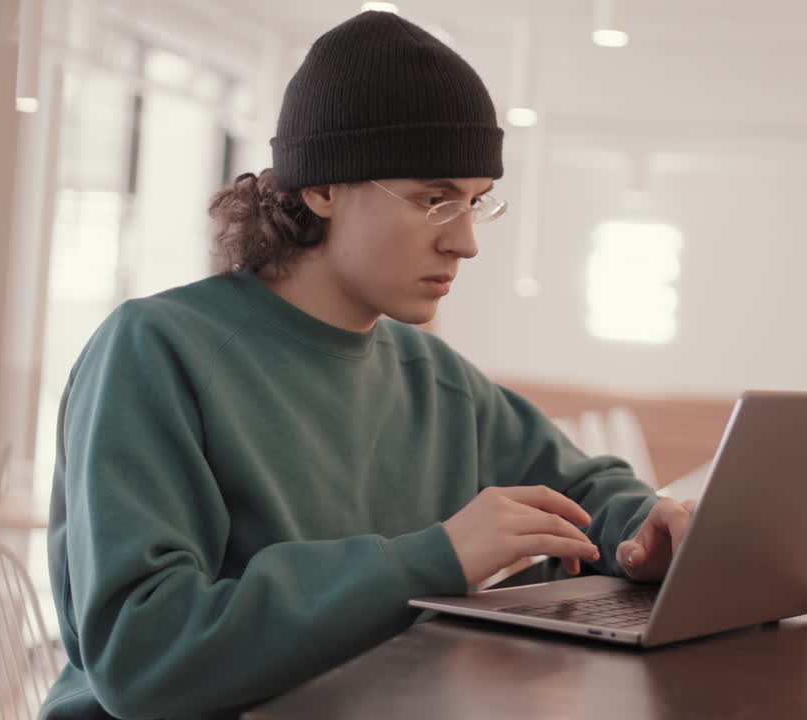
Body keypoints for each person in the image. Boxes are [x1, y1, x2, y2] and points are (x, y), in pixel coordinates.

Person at [41, 11, 694, 720]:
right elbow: (143, 655)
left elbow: (584, 489)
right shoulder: (155, 349)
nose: (467, 242)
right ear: (321, 187)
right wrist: (437, 558)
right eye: (433, 199)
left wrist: (643, 530)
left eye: (475, 202)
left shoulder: (432, 377)